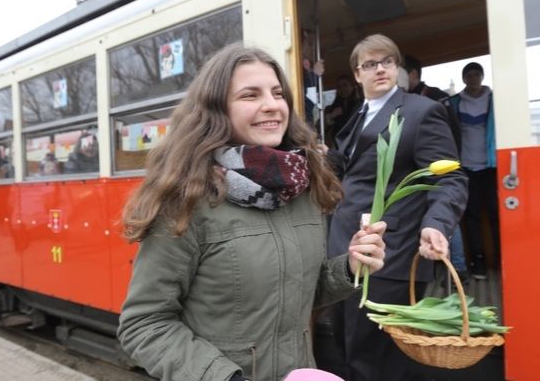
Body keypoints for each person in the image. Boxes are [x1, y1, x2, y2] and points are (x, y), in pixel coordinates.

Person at [117, 45, 388, 381]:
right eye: (250, 95)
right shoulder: (186, 199)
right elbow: (144, 324)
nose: (272, 105)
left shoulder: (303, 188)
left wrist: (349, 267)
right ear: (217, 110)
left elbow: (298, 289)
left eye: (278, 93)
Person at [325, 35, 468, 381]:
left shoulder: (422, 112)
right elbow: (354, 166)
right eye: (369, 64)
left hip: (392, 255)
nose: (380, 70)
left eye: (387, 62)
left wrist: (436, 223)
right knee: (347, 346)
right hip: (346, 254)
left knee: (379, 359)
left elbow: (451, 177)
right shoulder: (359, 113)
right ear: (357, 75)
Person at [404, 54, 469, 283]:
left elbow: (453, 130)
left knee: (443, 213)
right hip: (416, 171)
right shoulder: (404, 99)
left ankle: (457, 267)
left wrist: (453, 160)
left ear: (411, 74)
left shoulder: (435, 98)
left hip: (438, 164)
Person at [448, 62, 499, 280]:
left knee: (498, 215)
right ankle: (478, 261)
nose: (473, 78)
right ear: (464, 79)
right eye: (468, 75)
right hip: (466, 167)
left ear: (482, 76)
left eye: (476, 74)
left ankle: (501, 259)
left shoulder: (494, 100)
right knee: (472, 217)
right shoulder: (455, 103)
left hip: (491, 165)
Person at [319, 75, 362, 147]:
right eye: (339, 86)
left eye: (345, 85)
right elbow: (320, 129)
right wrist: (331, 116)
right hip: (336, 147)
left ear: (352, 87)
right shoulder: (330, 108)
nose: (342, 89)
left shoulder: (361, 105)